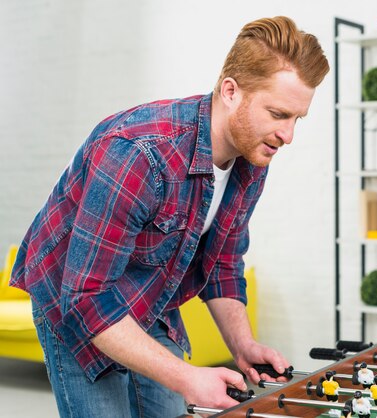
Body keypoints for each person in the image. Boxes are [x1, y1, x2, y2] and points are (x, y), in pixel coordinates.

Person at [9, 16, 329, 417]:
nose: (288, 135)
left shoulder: (252, 156)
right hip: (74, 295)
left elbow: (223, 260)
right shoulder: (139, 154)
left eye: (297, 118)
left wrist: (243, 345)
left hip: (149, 291)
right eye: (279, 114)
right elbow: (87, 297)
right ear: (230, 91)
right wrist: (187, 376)